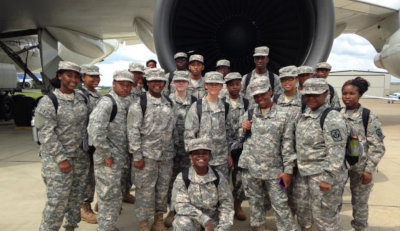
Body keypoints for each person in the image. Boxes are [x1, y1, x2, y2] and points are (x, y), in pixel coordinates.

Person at [35, 61, 89, 231]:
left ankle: (71, 227)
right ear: (60, 76)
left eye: (76, 76)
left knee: (76, 199)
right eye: (69, 75)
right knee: (57, 202)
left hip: (80, 159)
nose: (73, 80)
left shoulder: (81, 98)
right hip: (58, 161)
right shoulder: (49, 101)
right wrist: (61, 158)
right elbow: (45, 133)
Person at [239, 77, 297, 231]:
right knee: (255, 202)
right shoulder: (250, 113)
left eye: (263, 94)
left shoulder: (284, 115)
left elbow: (288, 144)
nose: (260, 98)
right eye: (256, 96)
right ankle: (259, 226)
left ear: (270, 91)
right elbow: (239, 139)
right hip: (251, 169)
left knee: (280, 204)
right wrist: (243, 128)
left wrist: (287, 171)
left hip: (275, 171)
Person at [295, 78, 349, 231]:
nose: (311, 98)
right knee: (304, 211)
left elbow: (336, 151)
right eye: (307, 94)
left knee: (325, 218)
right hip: (304, 173)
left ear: (325, 94)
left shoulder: (331, 117)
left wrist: (328, 178)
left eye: (315, 94)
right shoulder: (305, 114)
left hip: (322, 175)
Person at [127, 68, 175, 231]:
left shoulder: (168, 102)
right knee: (145, 192)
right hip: (146, 157)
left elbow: (172, 129)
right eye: (153, 80)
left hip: (166, 157)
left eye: (160, 81)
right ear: (147, 82)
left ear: (164, 83)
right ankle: (143, 223)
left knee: (162, 190)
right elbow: (132, 131)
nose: (157, 84)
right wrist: (137, 156)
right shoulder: (139, 103)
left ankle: (158, 220)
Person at [88, 70, 134, 231]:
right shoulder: (107, 102)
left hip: (121, 159)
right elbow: (95, 130)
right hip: (109, 160)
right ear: (114, 83)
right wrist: (106, 154)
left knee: (115, 197)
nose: (126, 88)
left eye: (129, 85)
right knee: (108, 197)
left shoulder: (126, 101)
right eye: (122, 84)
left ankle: (109, 226)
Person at [341, 77, 385, 231]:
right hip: (340, 166)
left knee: (360, 202)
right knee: (332, 199)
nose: (347, 96)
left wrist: (369, 169)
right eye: (345, 93)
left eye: (352, 93)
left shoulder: (368, 116)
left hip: (360, 167)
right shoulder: (336, 114)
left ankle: (359, 228)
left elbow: (377, 146)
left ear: (359, 95)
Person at [172, 138, 234, 231]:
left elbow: (226, 205)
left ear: (209, 156)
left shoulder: (218, 177)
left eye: (204, 153)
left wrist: (222, 228)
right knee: (181, 222)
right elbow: (181, 206)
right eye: (196, 153)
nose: (201, 156)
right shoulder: (183, 178)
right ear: (191, 157)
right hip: (192, 222)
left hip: (213, 223)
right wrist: (205, 220)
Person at [185, 71, 233, 181]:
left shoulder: (225, 107)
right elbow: (189, 133)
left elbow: (229, 133)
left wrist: (228, 154)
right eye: (211, 84)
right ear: (206, 85)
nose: (213, 86)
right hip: (202, 158)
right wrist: (192, 155)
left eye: (217, 84)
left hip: (221, 158)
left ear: (221, 86)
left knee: (221, 187)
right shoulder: (197, 106)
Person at [164, 71, 197, 227]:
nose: (181, 83)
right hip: (170, 149)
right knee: (171, 181)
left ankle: (186, 211)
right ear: (173, 83)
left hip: (188, 150)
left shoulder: (196, 102)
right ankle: (172, 210)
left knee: (188, 181)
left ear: (188, 83)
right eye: (178, 81)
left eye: (184, 81)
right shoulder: (166, 101)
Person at [222, 72, 249, 221]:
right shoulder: (221, 102)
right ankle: (224, 208)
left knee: (240, 181)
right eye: (231, 84)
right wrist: (226, 152)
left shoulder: (247, 103)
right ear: (226, 86)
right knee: (223, 180)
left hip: (241, 148)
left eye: (237, 84)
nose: (234, 87)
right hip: (224, 147)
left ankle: (237, 205)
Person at [78, 64, 102, 224]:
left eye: (97, 76)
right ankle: (83, 208)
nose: (95, 78)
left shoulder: (97, 95)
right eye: (91, 76)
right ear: (83, 77)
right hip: (82, 145)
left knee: (92, 176)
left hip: (93, 144)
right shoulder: (80, 96)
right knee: (85, 177)